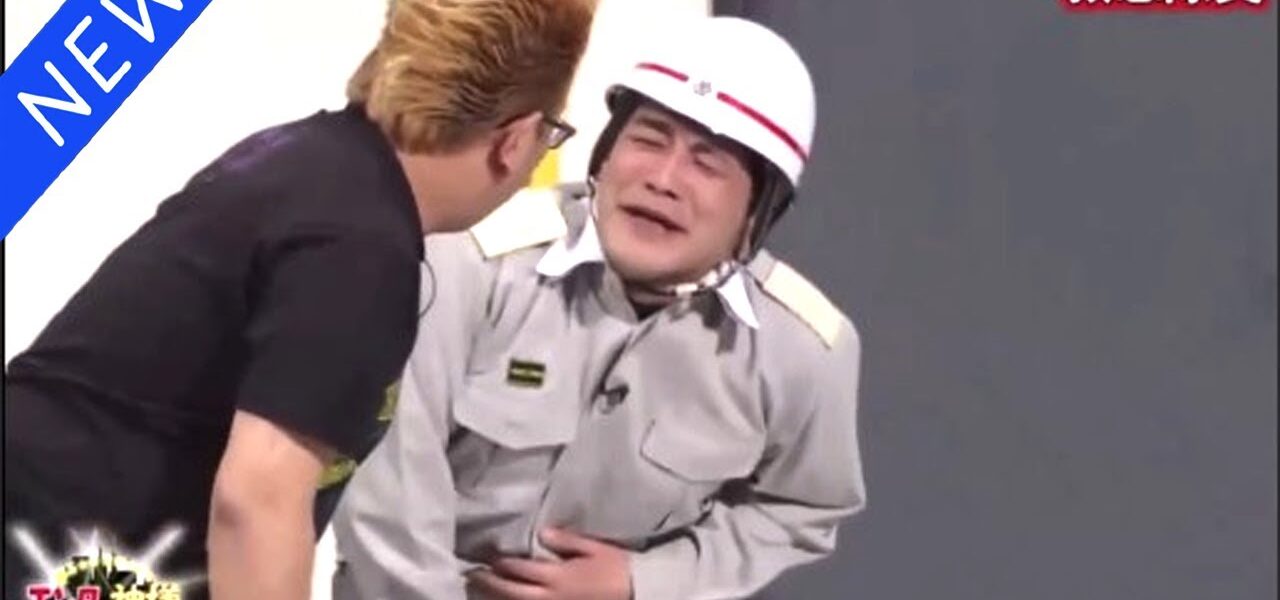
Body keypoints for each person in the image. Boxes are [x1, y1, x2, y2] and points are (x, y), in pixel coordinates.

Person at [2, 1, 595, 598]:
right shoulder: (361, 244)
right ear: (514, 140)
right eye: (550, 137)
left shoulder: (309, 160)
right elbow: (259, 501)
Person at [331, 15, 866, 600]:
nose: (663, 179)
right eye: (648, 139)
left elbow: (803, 508)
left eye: (707, 162)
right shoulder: (460, 262)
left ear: (759, 212)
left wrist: (647, 580)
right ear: (605, 153)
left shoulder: (804, 351)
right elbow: (387, 496)